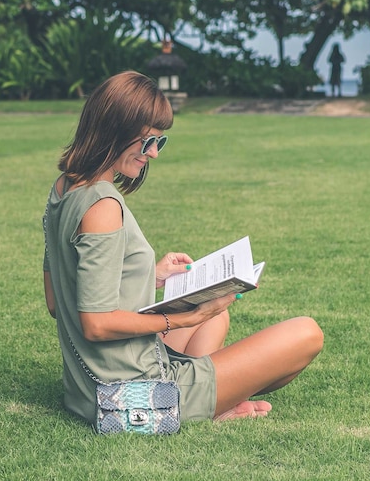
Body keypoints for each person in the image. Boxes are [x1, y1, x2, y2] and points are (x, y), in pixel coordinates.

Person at [42, 70, 323, 426]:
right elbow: (96, 324)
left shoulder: (64, 188)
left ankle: (210, 399)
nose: (154, 154)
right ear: (114, 130)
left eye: (160, 142)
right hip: (131, 398)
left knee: (216, 316)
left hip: (85, 391)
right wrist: (181, 318)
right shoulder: (103, 206)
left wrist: (150, 275)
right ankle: (205, 405)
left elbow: (58, 299)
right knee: (306, 334)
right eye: (147, 143)